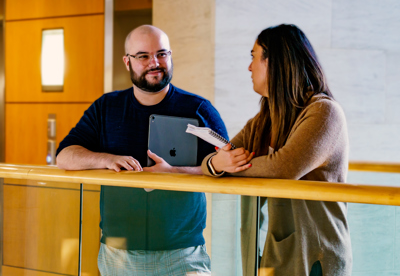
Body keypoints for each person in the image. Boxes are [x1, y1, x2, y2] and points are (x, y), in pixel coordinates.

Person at [56, 25, 228, 275]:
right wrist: (106, 159)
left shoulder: (199, 109)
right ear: (127, 62)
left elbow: (228, 166)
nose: (155, 62)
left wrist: (174, 173)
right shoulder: (106, 108)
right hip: (118, 255)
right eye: (143, 56)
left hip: (183, 254)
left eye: (162, 54)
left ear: (170, 56)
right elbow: (64, 156)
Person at [201, 24, 352, 276]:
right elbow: (217, 156)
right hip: (274, 254)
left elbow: (283, 168)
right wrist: (217, 165)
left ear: (277, 62)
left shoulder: (324, 112)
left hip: (316, 257)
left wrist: (228, 166)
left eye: (253, 56)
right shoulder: (264, 120)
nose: (249, 67)